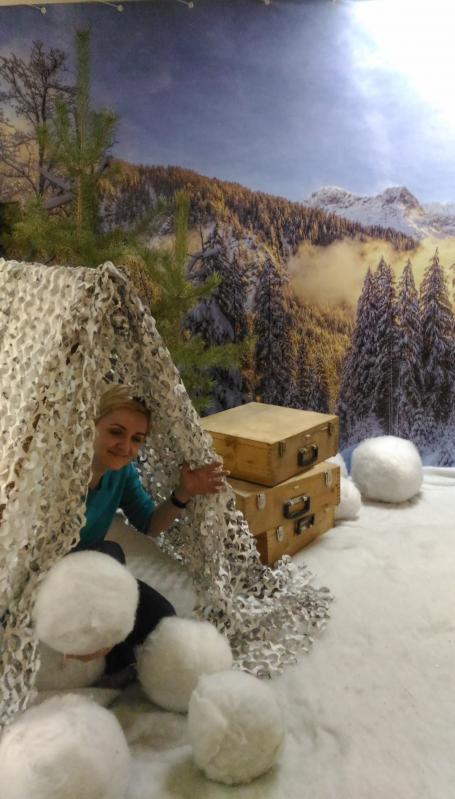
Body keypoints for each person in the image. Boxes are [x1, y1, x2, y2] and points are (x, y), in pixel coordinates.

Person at [66, 384, 225, 685]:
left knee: (163, 618)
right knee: (110, 553)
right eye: (116, 432)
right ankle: (108, 656)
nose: (125, 446)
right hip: (53, 584)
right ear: (91, 425)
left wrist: (184, 492)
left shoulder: (121, 473)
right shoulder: (61, 474)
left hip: (96, 578)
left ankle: (117, 659)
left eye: (136, 439)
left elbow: (149, 523)